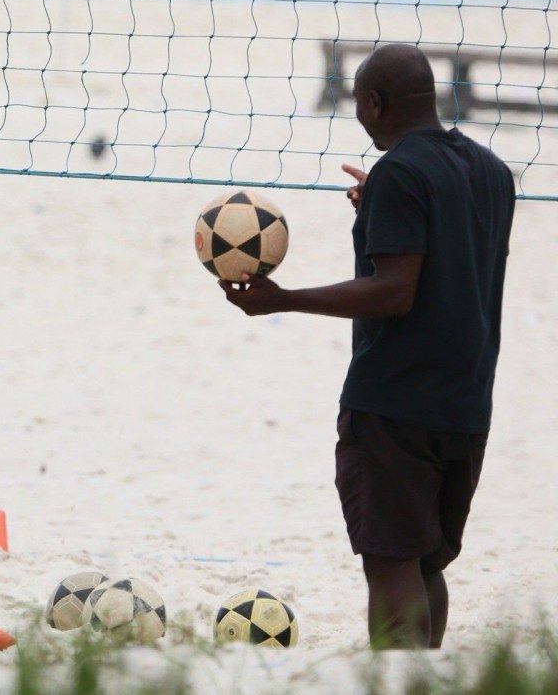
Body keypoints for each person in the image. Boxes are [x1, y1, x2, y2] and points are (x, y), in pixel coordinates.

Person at [219, 44, 515, 649]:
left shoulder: (402, 174)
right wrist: (377, 209)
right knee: (426, 562)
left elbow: (394, 291)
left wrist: (283, 299)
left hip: (396, 402)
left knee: (391, 563)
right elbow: (449, 253)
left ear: (374, 102)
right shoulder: (491, 172)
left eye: (360, 103)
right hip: (466, 404)